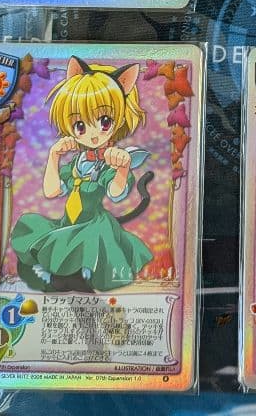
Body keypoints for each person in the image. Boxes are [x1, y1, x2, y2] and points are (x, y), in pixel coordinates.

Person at [10, 58, 153, 292]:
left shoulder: (111, 161)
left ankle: (77, 275)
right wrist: (54, 156)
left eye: (104, 122)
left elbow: (116, 193)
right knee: (31, 224)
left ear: (118, 120)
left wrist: (122, 169)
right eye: (80, 125)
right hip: (68, 223)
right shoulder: (78, 161)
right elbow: (52, 191)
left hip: (93, 224)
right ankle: (55, 275)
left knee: (88, 238)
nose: (92, 134)